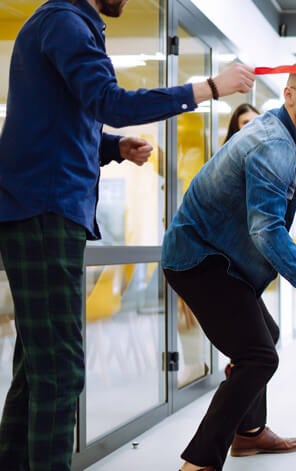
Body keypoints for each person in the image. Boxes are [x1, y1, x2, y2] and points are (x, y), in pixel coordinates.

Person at [0, 0, 254, 469]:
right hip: (45, 212)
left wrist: (114, 147)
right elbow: (111, 102)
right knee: (59, 371)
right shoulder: (65, 23)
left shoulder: (62, 24)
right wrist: (212, 87)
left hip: (41, 209)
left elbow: (59, 125)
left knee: (37, 368)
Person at [161, 58, 296, 471]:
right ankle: (199, 462)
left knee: (263, 336)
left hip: (223, 260)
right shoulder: (273, 144)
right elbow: (268, 232)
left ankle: (248, 434)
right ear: (289, 95)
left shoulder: (289, 138)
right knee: (258, 355)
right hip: (201, 260)